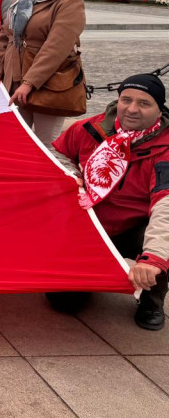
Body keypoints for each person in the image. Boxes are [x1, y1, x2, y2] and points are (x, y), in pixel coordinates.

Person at [48, 74, 169, 331]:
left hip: (137, 226)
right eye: (126, 100)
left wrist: (153, 258)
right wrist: (71, 174)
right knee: (63, 303)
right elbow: (57, 152)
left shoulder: (165, 147)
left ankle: (151, 300)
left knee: (160, 247)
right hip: (89, 222)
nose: (132, 109)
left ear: (160, 109)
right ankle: (94, 276)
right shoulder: (89, 129)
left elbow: (165, 205)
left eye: (144, 103)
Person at [0, 0, 86, 148]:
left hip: (48, 82)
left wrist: (30, 82)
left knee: (46, 145)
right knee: (16, 141)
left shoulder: (68, 1)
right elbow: (5, 37)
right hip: (14, 80)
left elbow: (56, 48)